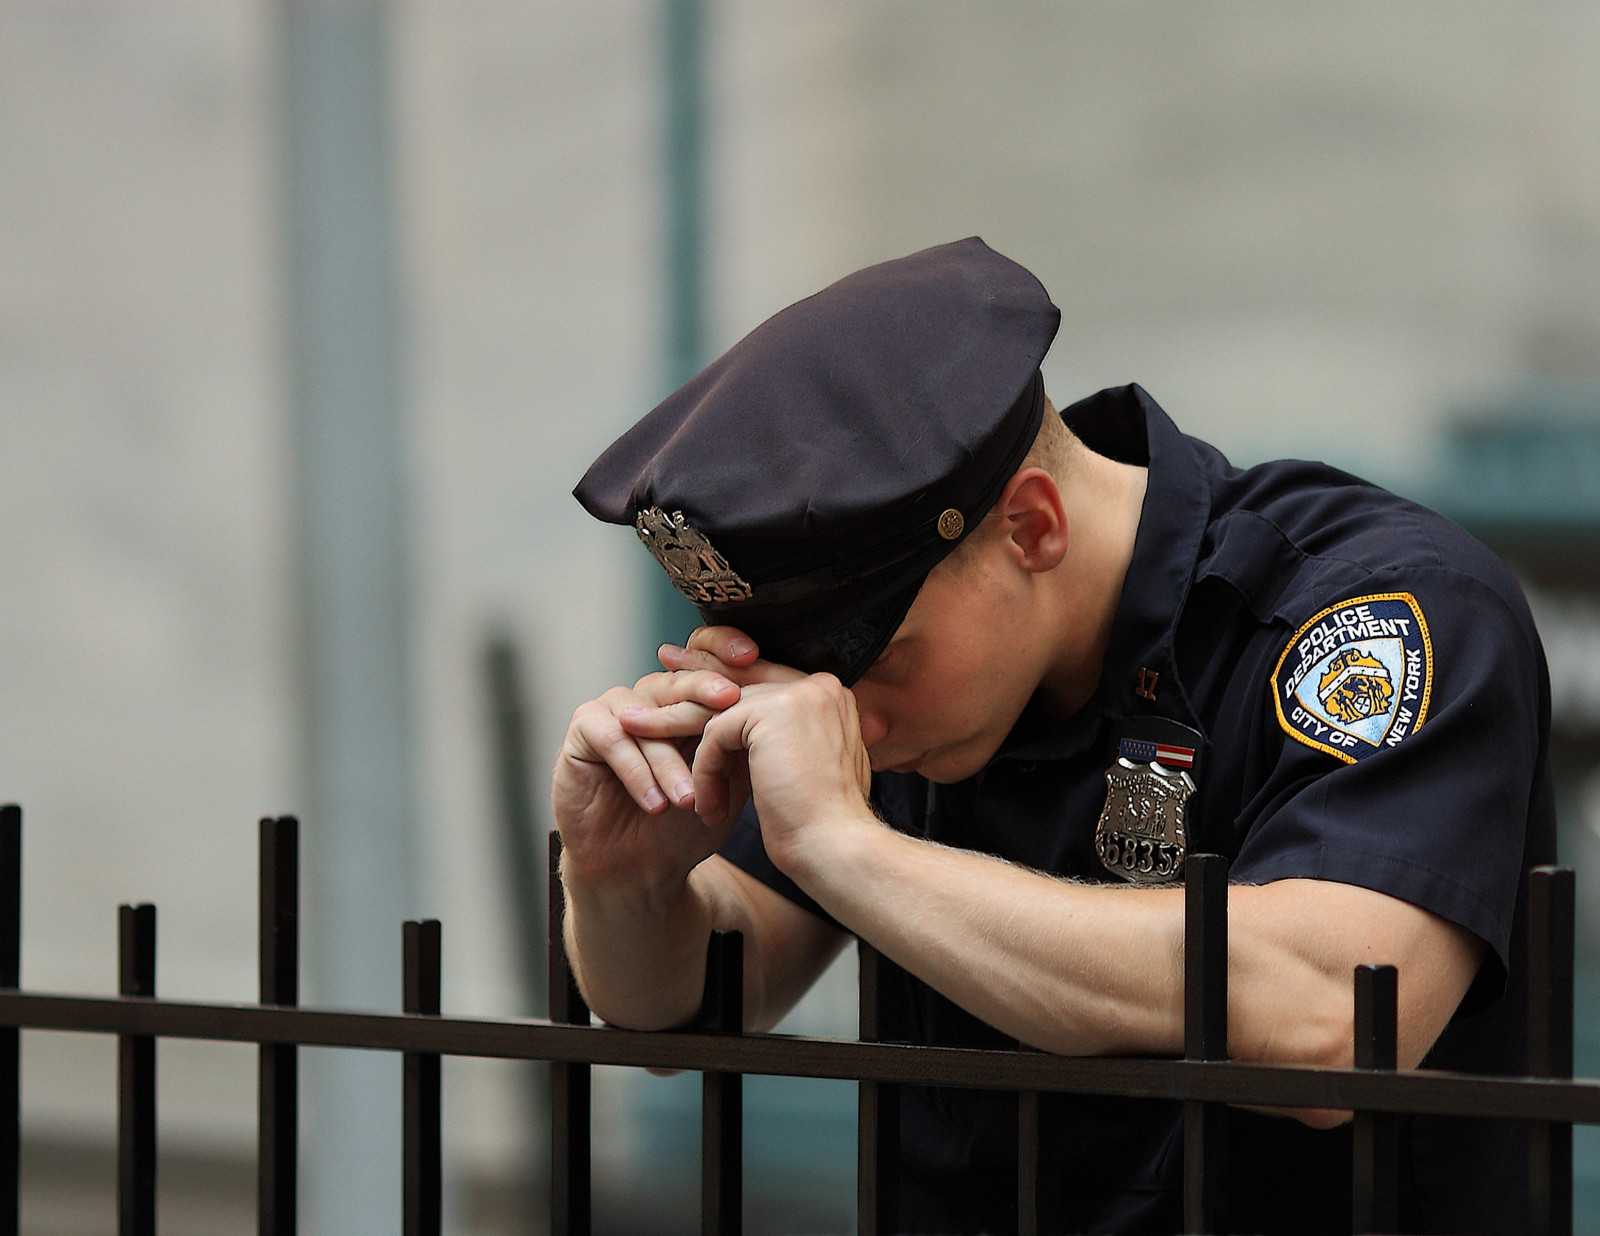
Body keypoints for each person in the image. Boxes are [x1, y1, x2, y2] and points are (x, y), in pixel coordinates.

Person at [552, 238, 1554, 1234]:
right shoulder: (930, 692)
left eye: (881, 659)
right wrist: (624, 884)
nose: (853, 720)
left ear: (1031, 527)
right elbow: (703, 999)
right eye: (814, 681)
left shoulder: (1370, 611)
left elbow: (1335, 1022)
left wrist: (846, 847)